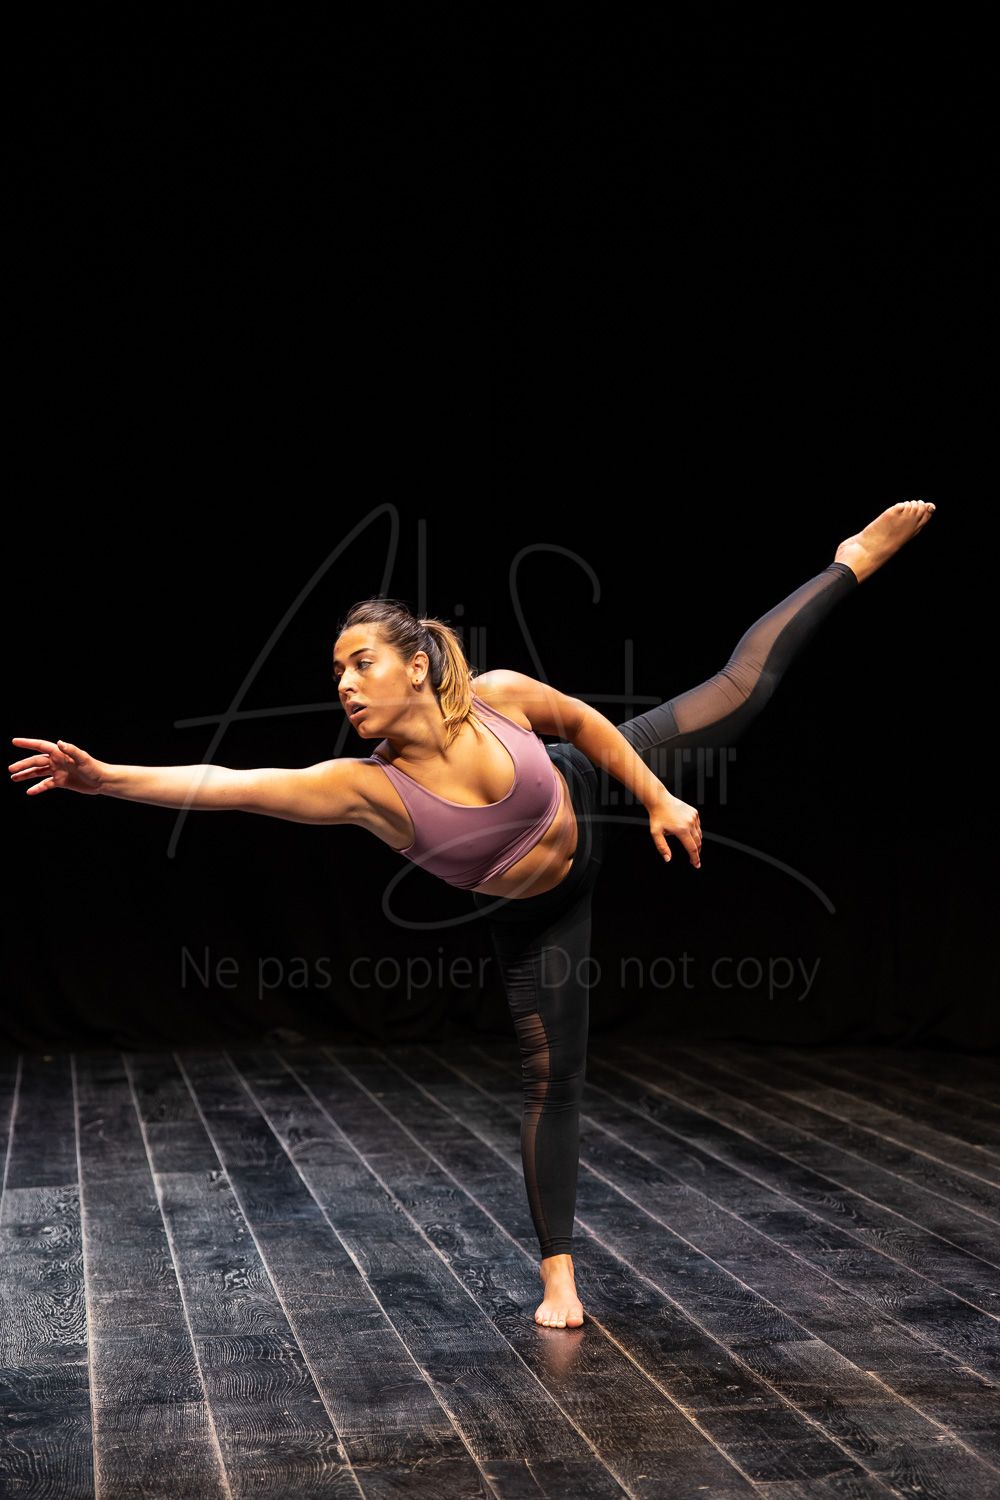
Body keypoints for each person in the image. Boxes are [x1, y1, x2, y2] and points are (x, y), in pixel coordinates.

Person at [9, 499, 936, 1331]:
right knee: (553, 1080)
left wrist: (657, 796)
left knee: (739, 690)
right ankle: (559, 1273)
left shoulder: (496, 696)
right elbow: (230, 784)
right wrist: (104, 778)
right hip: (536, 915)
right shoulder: (363, 789)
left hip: (585, 794)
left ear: (417, 666)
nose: (345, 683)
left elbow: (585, 723)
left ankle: (849, 561)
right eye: (336, 671)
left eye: (361, 663)